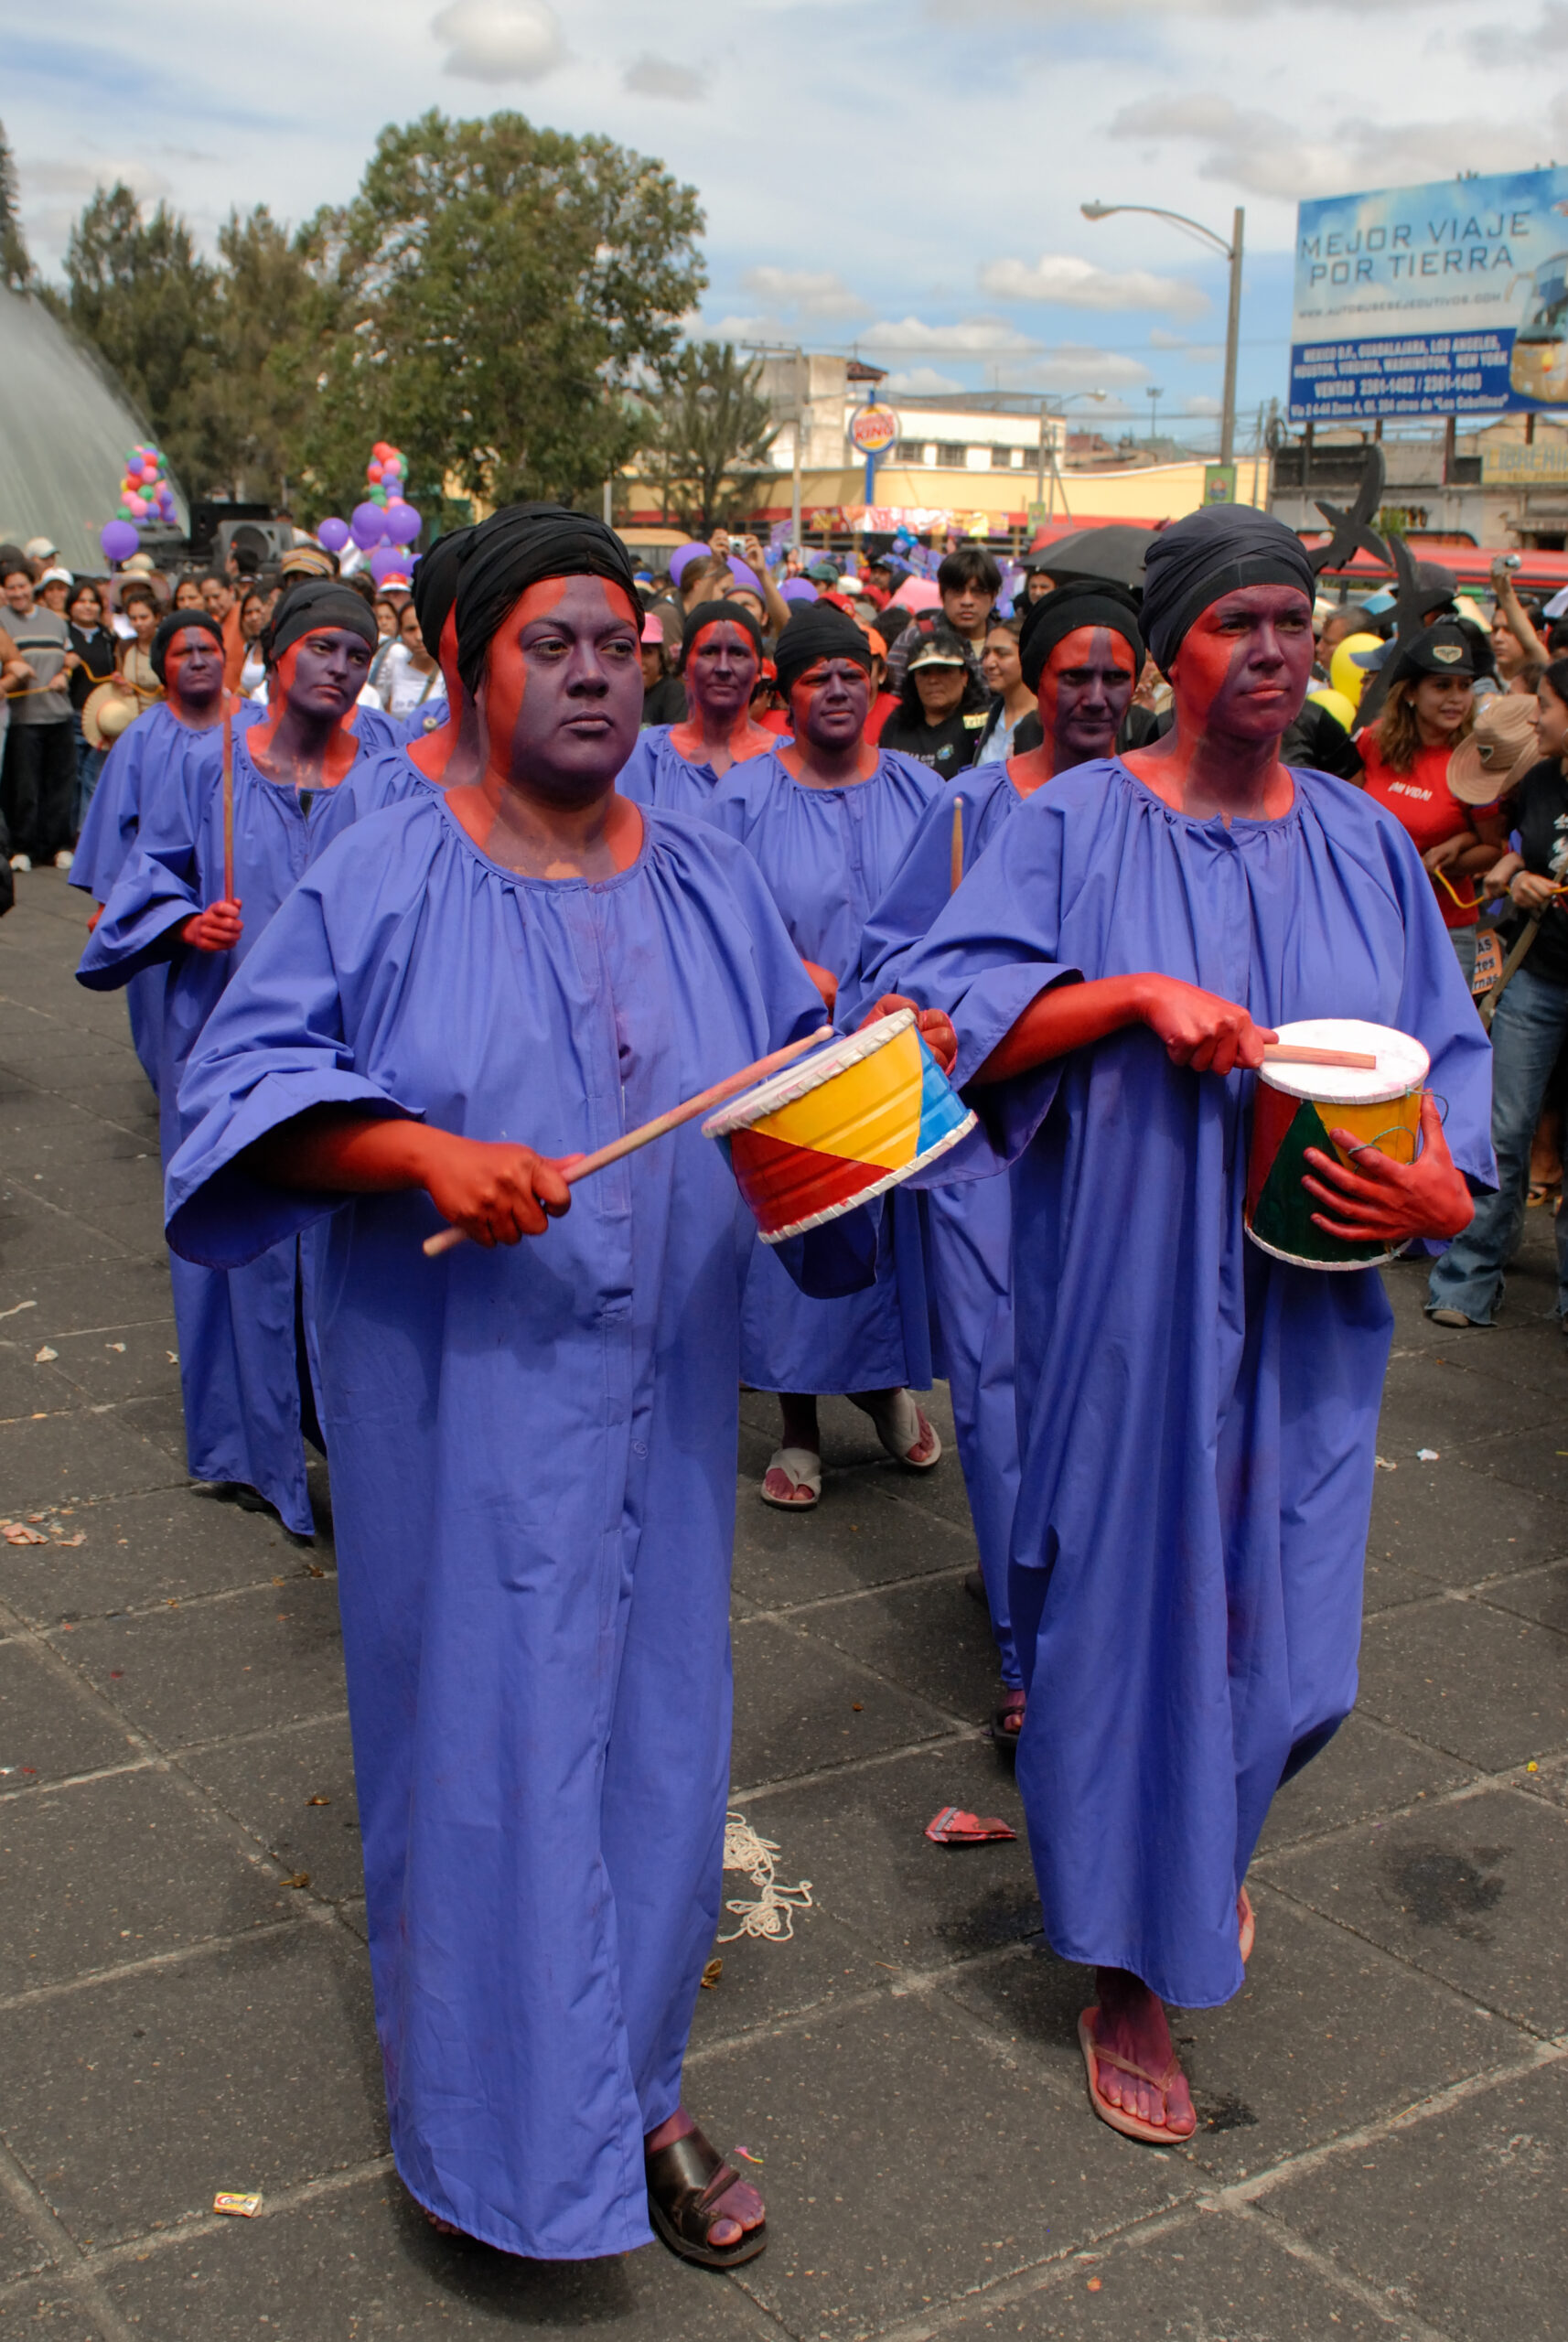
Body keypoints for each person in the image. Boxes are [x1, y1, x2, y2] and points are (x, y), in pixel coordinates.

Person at [156, 503, 896, 2268]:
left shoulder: (711, 871)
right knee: (486, 1757)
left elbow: (795, 1123)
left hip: (661, 1412)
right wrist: (419, 1151)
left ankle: (637, 2091)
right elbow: (246, 1089)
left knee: (653, 1753)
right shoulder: (383, 870)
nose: (590, 671)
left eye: (614, 643)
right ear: (476, 673)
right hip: (462, 1416)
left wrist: (881, 1096)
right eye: (547, 644)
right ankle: (490, 2128)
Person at [891, 503, 1492, 2144]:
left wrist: (1448, 1199)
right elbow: (952, 1031)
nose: (1273, 650)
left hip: (1308, 1302)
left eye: (1293, 623)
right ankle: (1124, 1968)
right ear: (1168, 653)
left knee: (1296, 1658)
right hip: (1131, 1294)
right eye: (1236, 625)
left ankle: (1183, 1863)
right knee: (1132, 1628)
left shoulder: (1361, 838)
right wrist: (1121, 999)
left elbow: (1440, 1056)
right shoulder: (1076, 822)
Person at [846, 580, 1148, 1743]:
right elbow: (890, 960)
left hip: (1117, 1147)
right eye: (1073, 673)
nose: (1096, 696)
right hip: (986, 1153)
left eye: (1117, 675)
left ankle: (1086, 1598)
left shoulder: (1154, 806)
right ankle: (1030, 1662)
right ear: (1028, 674)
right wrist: (921, 1015)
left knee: (1114, 1384)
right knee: (999, 1390)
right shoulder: (970, 808)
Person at [77, 584, 419, 1535]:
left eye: (358, 654)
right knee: (242, 1247)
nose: (342, 669)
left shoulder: (388, 769)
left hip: (353, 1045)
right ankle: (248, 1444)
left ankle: (364, 1438)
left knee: (354, 1239)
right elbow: (142, 885)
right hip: (227, 1039)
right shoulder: (212, 769)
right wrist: (188, 919)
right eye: (323, 648)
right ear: (276, 654)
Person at [709, 600, 948, 1508]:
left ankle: (888, 1387)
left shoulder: (926, 793)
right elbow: (720, 916)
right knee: (799, 1236)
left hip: (899, 1050)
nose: (839, 688)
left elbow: (957, 911)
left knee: (891, 1233)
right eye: (818, 675)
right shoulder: (743, 797)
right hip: (794, 1055)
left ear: (875, 682)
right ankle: (799, 1426)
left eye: (853, 671)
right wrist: (798, 975)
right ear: (784, 693)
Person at [1429, 657, 1568, 1328]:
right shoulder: (1539, 782)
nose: (1534, 715)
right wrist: (1516, 875)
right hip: (1537, 980)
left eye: (1544, 704)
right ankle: (1468, 1279)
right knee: (1504, 1131)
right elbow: (1515, 852)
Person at [1353, 622, 1503, 986]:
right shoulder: (1372, 744)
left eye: (1464, 686)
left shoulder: (1476, 762)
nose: (1456, 698)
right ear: (1410, 694)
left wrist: (1451, 854)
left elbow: (1494, 849)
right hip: (1370, 921)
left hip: (1445, 931)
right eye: (1441, 685)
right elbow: (1342, 818)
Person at [618, 599, 777, 812]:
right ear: (685, 667)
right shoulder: (647, 756)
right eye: (709, 652)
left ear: (758, 670)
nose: (723, 668)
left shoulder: (787, 762)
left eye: (738, 653)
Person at [1, 554, 76, 871]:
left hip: (59, 714)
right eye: (11, 588)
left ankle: (57, 846)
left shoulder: (55, 620)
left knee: (60, 785)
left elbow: (70, 657)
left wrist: (65, 674)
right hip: (23, 718)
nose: (18, 593)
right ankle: (22, 847)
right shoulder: (2, 621)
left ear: (34, 586)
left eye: (23, 586)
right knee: (24, 788)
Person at [885, 546, 1001, 692]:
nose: (967, 601)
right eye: (957, 591)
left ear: (993, 597)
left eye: (977, 592)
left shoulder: (1009, 643)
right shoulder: (914, 638)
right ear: (942, 595)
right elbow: (892, 701)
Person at [878, 628, 992, 776]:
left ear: (964, 676)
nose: (933, 680)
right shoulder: (896, 723)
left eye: (944, 671)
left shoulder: (982, 723)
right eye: (924, 673)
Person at [64, 580, 117, 824]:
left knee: (93, 777)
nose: (87, 607)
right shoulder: (63, 634)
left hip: (101, 719)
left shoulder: (109, 638)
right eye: (81, 601)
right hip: (72, 714)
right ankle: (69, 833)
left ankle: (86, 836)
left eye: (92, 601)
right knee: (70, 777)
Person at [974, 615, 1037, 767]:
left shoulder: (1046, 721)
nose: (989, 663)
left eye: (1001, 654)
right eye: (986, 654)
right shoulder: (992, 714)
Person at [377, 599, 449, 725]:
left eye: (424, 627)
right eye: (411, 629)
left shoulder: (451, 673)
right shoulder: (393, 666)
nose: (419, 637)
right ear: (400, 633)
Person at [639, 613, 686, 727]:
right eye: (634, 651)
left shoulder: (674, 695)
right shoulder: (620, 694)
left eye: (648, 652)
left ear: (660, 657)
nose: (639, 661)